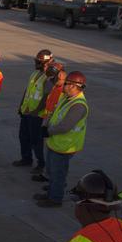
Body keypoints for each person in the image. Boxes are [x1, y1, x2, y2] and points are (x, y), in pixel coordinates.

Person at [35, 71, 88, 208]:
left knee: (58, 174)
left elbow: (65, 126)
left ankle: (55, 199)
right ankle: (51, 193)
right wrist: (45, 125)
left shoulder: (78, 105)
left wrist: (48, 131)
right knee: (52, 171)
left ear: (73, 86)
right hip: (56, 142)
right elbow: (54, 112)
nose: (63, 86)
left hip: (65, 146)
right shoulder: (66, 97)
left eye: (66, 84)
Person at [12, 49, 53, 169]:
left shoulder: (49, 76)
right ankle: (26, 158)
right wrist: (21, 106)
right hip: (26, 111)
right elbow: (28, 90)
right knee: (23, 136)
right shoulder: (35, 73)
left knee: (36, 140)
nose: (37, 64)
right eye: (36, 61)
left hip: (37, 115)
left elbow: (46, 96)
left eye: (40, 62)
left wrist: (36, 111)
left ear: (48, 62)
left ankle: (41, 163)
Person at [31, 59, 66, 181]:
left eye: (53, 77)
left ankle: (53, 180)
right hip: (48, 122)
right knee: (48, 152)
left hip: (55, 127)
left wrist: (50, 127)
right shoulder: (55, 87)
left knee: (56, 159)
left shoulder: (64, 91)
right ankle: (47, 175)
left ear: (61, 75)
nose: (51, 80)